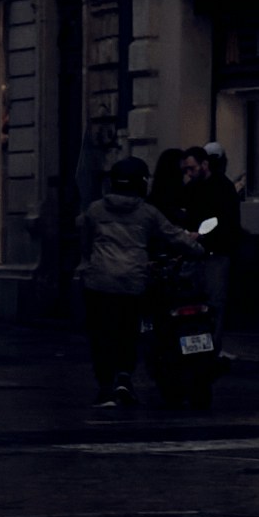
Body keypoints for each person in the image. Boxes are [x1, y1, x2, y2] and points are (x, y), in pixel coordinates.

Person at [75, 157, 173, 408]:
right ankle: (124, 377)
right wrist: (197, 246)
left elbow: (85, 240)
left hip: (99, 281)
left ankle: (105, 387)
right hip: (132, 281)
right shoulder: (147, 212)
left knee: (101, 334)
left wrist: (88, 263)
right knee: (128, 332)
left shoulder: (96, 210)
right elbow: (172, 234)